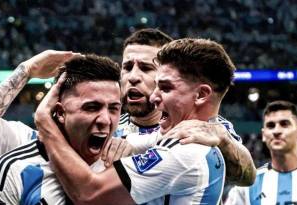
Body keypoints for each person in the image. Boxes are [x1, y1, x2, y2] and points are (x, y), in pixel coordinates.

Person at [0, 28, 255, 187]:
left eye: (147, 67)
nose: (134, 75)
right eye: (127, 66)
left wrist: (224, 141)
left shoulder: (198, 131)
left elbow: (246, 174)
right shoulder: (96, 127)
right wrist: (27, 70)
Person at [35, 37, 244, 204]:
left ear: (200, 95)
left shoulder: (186, 151)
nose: (154, 96)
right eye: (127, 67)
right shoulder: (180, 137)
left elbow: (90, 195)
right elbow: (139, 141)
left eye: (165, 87)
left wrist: (46, 124)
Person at [0, 54, 123, 204]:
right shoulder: (11, 172)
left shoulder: (129, 163)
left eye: (114, 108)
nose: (105, 120)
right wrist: (28, 69)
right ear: (60, 113)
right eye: (92, 108)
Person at [225, 100, 297, 205]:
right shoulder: (246, 186)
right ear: (264, 135)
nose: (276, 131)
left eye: (284, 124)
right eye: (271, 125)